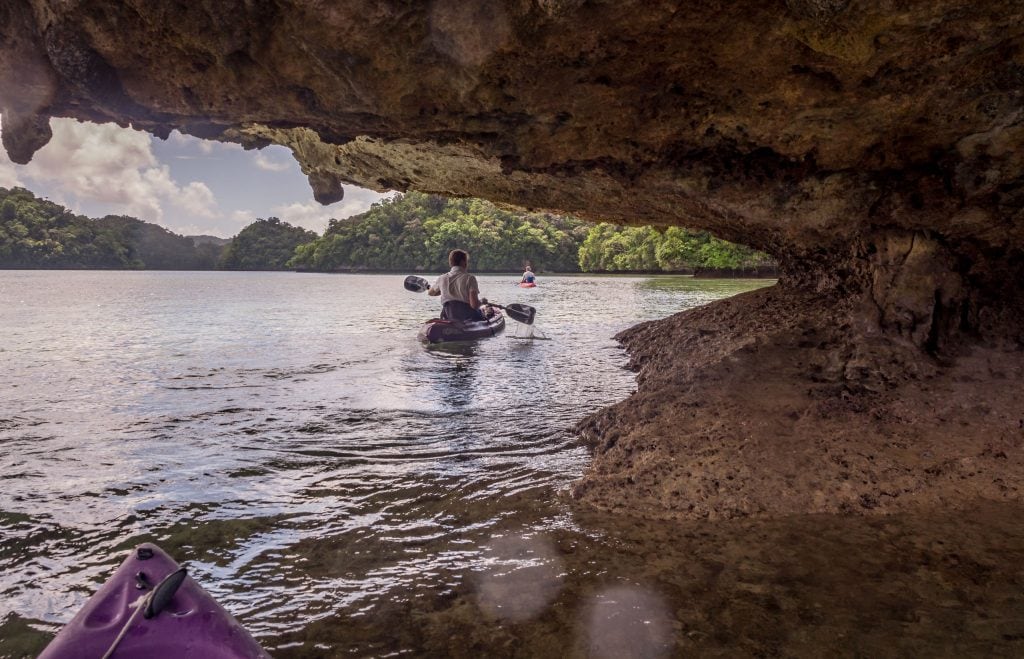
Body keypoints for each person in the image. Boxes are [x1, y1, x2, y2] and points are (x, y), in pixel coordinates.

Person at [428, 249, 487, 321]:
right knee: (486, 312)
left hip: (449, 316)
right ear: (463, 262)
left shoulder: (442, 278)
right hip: (468, 317)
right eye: (466, 261)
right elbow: (474, 305)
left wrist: (443, 289)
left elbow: (431, 293)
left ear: (450, 262)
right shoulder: (470, 278)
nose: (467, 263)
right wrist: (482, 301)